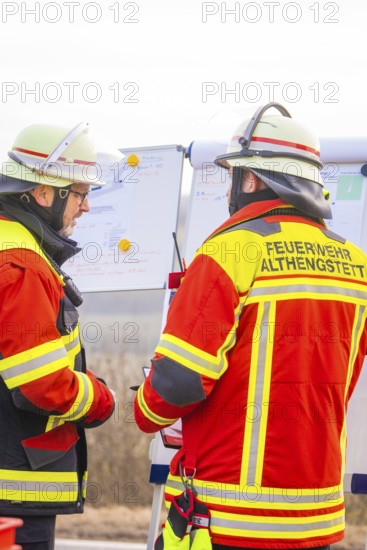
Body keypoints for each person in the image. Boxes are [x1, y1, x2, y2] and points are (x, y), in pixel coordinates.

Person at [134, 102, 367, 549]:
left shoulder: (229, 252)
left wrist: (145, 409)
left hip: (226, 518)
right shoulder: (355, 264)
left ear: (252, 179)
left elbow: (177, 382)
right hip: (314, 517)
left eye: (232, 176)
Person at [0, 122, 120, 549]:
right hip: (16, 488)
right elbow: (43, 383)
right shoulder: (22, 265)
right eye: (80, 194)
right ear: (44, 193)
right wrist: (101, 400)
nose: (85, 207)